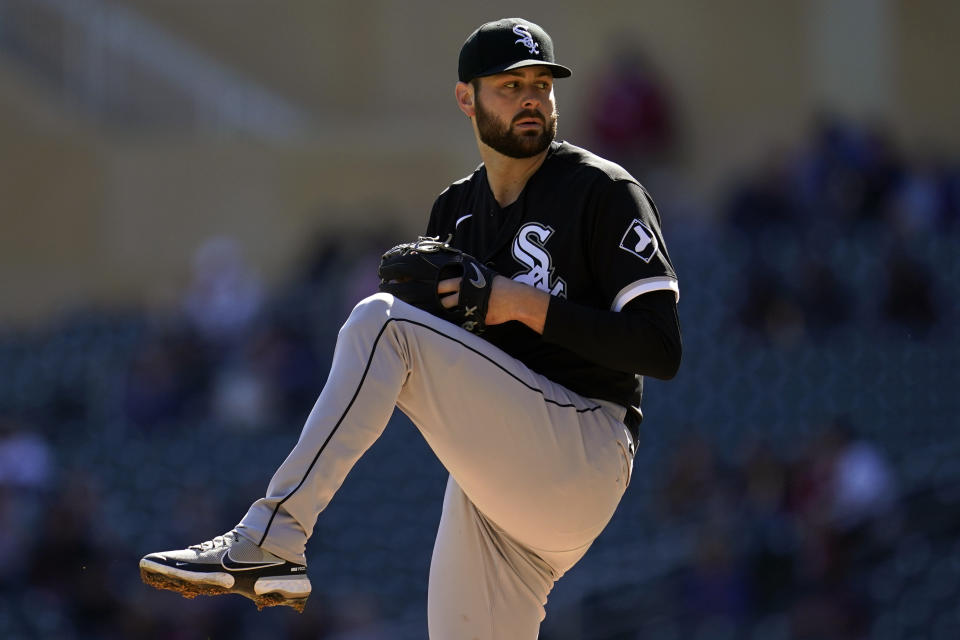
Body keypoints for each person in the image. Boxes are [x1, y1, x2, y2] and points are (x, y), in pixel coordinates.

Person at [139, 17, 682, 638]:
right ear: (466, 97)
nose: (531, 97)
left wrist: (514, 303)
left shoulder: (604, 190)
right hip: (501, 495)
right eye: (510, 85)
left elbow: (660, 349)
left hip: (584, 448)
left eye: (542, 84)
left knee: (382, 323)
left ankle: (272, 537)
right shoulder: (455, 210)